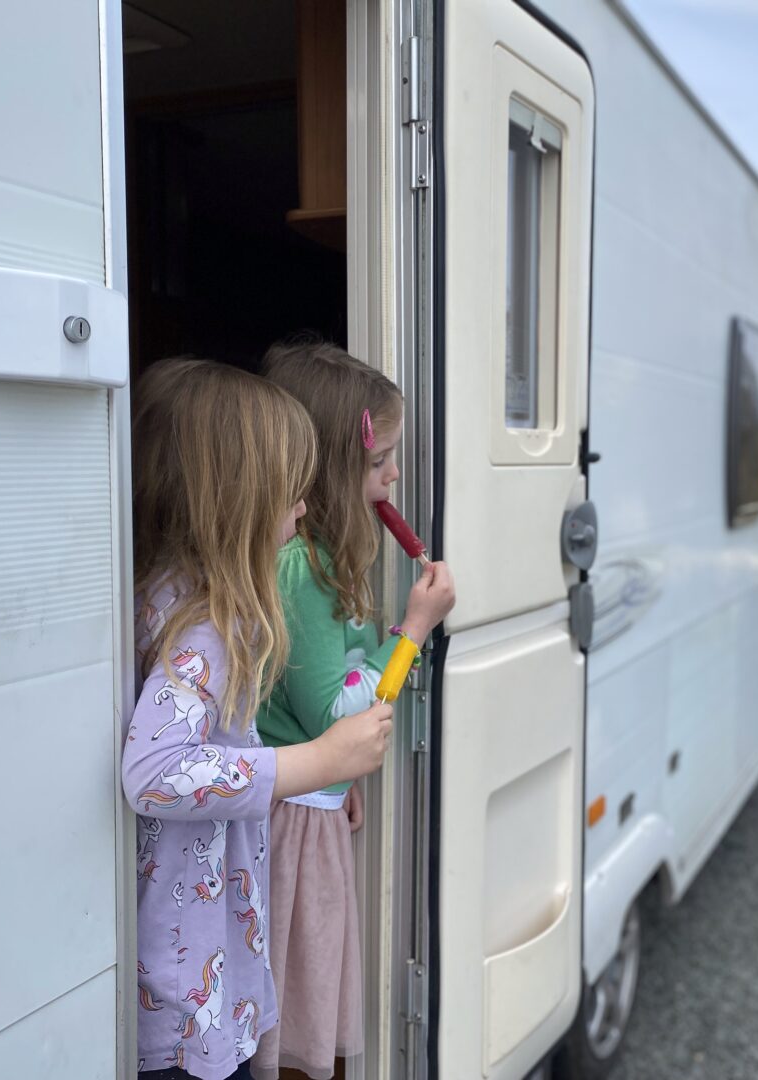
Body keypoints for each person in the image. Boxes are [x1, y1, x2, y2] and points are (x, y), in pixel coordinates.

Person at [122, 358, 395, 1080]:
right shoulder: (203, 629)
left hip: (192, 956)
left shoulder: (169, 593)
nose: (304, 509)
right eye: (290, 493)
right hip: (188, 996)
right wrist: (318, 762)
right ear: (234, 503)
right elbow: (152, 771)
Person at [252, 340, 456, 1079]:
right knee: (294, 995)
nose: (395, 475)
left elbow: (337, 688)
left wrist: (347, 778)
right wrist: (413, 631)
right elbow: (331, 714)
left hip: (320, 803)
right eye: (380, 462)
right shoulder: (299, 566)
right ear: (333, 470)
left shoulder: (333, 555)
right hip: (290, 823)